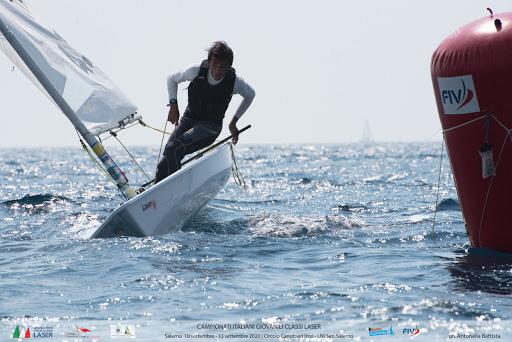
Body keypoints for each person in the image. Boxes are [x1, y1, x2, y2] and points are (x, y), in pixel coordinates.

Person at [154, 41, 256, 184]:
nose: (218, 71)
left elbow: (251, 94)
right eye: (215, 65)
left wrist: (233, 123)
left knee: (174, 149)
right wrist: (173, 105)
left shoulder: (235, 82)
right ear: (209, 62)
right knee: (164, 164)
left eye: (223, 67)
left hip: (210, 127)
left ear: (229, 66)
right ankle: (157, 198)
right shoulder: (196, 71)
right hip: (188, 120)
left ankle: (178, 189)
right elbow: (171, 78)